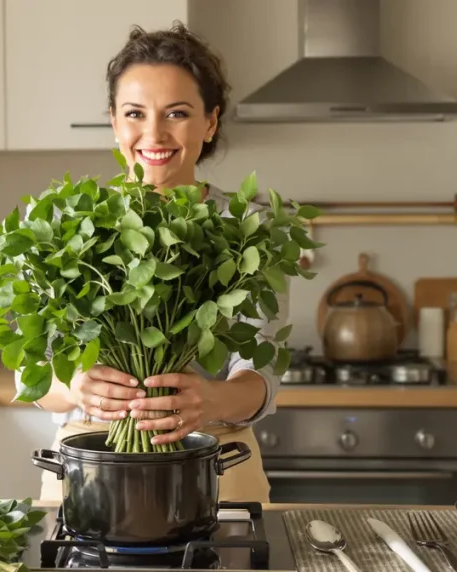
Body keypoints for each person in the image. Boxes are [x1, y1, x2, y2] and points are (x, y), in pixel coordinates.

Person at [26, 22, 280, 504]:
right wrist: (77, 386)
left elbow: (261, 369)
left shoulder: (247, 227)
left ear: (210, 121)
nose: (154, 133)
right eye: (135, 113)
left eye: (177, 113)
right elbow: (33, 375)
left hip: (214, 457)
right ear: (115, 121)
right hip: (89, 455)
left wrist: (212, 400)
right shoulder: (68, 224)